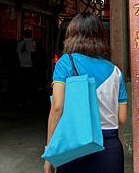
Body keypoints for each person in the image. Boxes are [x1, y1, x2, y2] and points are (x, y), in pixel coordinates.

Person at [44, 13, 128, 173]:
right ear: (101, 36)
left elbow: (57, 107)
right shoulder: (115, 71)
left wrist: (50, 153)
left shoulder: (65, 63)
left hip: (75, 146)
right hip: (110, 148)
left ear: (72, 36)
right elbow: (122, 117)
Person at [17, 28, 37, 106]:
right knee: (29, 84)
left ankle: (21, 101)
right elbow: (33, 55)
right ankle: (28, 100)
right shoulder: (32, 43)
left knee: (22, 84)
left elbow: (17, 55)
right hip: (29, 66)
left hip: (21, 66)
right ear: (30, 35)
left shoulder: (19, 43)